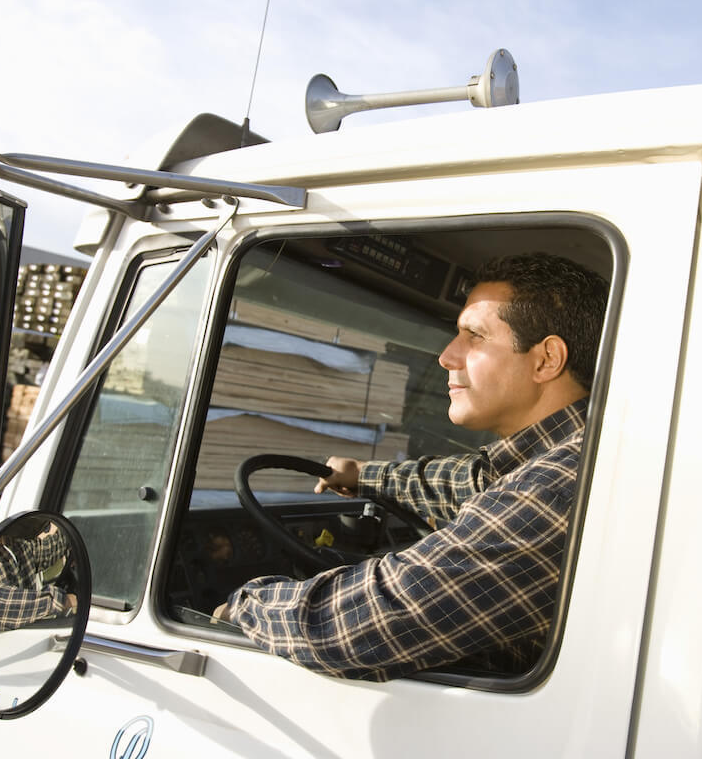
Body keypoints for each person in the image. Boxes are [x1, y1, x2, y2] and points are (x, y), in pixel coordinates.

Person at [214, 253, 609, 681]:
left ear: (546, 359)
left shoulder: (561, 485)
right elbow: (464, 482)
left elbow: (368, 622)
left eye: (474, 336)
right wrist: (363, 476)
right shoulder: (560, 456)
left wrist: (242, 607)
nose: (447, 356)